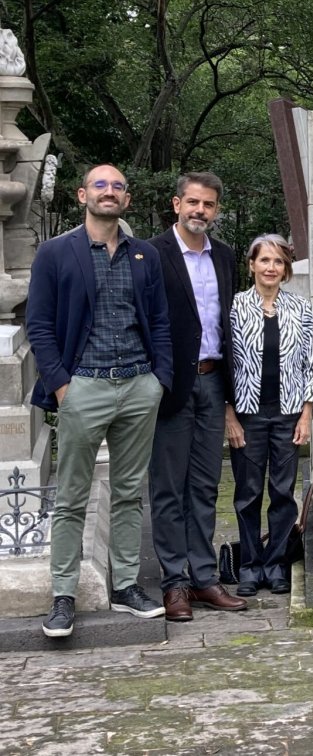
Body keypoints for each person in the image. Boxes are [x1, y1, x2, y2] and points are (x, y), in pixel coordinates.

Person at [27, 164, 173, 637]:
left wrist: (159, 381)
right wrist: (63, 386)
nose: (109, 192)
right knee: (71, 497)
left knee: (130, 494)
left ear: (126, 200)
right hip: (83, 387)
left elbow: (160, 322)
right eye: (100, 185)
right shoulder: (55, 254)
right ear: (82, 195)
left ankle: (127, 586)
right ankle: (64, 595)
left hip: (137, 387)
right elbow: (40, 325)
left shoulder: (145, 256)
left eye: (117, 187)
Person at [148, 172, 246, 621]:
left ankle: (204, 577)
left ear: (216, 210)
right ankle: (175, 584)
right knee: (168, 487)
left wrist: (228, 395)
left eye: (208, 205)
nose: (199, 211)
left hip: (212, 380)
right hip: (170, 385)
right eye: (192, 202)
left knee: (205, 484)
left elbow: (225, 325)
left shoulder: (224, 257)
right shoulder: (151, 253)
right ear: (176, 204)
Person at [227, 234, 313, 596]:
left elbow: (311, 360)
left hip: (288, 412)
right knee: (248, 493)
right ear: (251, 264)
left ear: (286, 269)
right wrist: (229, 415)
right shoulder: (235, 307)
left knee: (283, 491)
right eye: (264, 260)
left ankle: (276, 563)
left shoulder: (300, 308)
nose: (271, 267)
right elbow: (226, 363)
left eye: (278, 261)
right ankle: (250, 565)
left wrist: (306, 414)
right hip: (248, 414)